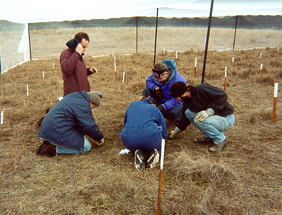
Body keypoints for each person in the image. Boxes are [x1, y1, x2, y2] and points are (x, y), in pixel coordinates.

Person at [169, 81, 235, 152]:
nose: (177, 99)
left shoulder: (201, 89)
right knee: (188, 112)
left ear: (183, 93)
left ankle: (220, 140)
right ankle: (208, 136)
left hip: (226, 118)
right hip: (214, 119)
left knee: (199, 120)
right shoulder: (187, 101)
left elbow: (222, 95)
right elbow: (185, 117)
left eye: (177, 97)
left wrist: (209, 111)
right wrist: (177, 130)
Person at [36, 90, 104, 157]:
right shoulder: (83, 105)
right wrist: (99, 138)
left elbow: (79, 123)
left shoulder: (74, 95)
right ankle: (53, 148)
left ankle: (51, 141)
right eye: (93, 105)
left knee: (78, 135)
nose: (92, 108)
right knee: (86, 147)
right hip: (56, 128)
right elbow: (89, 126)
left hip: (46, 127)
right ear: (90, 101)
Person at [119, 96, 168, 170]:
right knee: (154, 140)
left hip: (129, 139)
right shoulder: (154, 108)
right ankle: (154, 153)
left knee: (137, 141)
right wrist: (163, 140)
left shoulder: (132, 105)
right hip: (150, 138)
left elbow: (125, 122)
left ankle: (138, 152)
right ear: (153, 104)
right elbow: (163, 126)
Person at [60, 32, 98, 97]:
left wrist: (89, 71)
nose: (84, 50)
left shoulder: (78, 55)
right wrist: (77, 54)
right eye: (83, 47)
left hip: (83, 94)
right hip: (73, 95)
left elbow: (77, 71)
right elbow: (66, 69)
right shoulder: (66, 53)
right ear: (76, 44)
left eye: (86, 47)